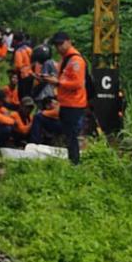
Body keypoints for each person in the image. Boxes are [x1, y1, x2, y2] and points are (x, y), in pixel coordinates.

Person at [40, 32, 87, 165]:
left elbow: (77, 83)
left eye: (61, 44)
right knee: (69, 135)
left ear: (69, 42)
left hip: (74, 104)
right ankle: (72, 161)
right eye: (56, 45)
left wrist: (58, 83)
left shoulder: (75, 60)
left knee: (72, 135)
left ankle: (75, 163)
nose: (58, 47)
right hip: (66, 103)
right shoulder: (65, 59)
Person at [12, 34, 34, 99]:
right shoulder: (29, 49)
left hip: (23, 75)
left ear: (15, 41)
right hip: (31, 74)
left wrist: (14, 71)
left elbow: (18, 65)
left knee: (22, 94)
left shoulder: (18, 51)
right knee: (28, 92)